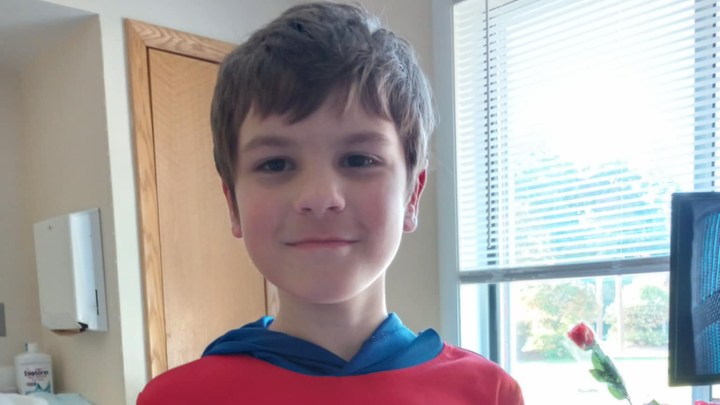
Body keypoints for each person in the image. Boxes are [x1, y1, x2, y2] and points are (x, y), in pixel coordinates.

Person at [137, 2, 524, 404]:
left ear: (412, 195)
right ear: (232, 203)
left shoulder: (486, 393)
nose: (319, 198)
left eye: (359, 160)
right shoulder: (177, 398)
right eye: (276, 164)